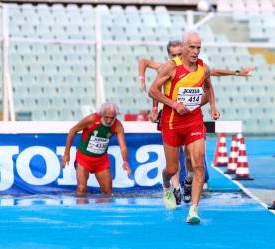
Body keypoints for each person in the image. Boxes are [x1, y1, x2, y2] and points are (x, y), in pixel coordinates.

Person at [139, 40, 254, 205]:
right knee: (173, 164)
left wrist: (237, 73)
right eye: (174, 55)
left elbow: (212, 73)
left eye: (180, 53)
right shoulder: (166, 66)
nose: (179, 57)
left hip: (190, 116)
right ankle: (175, 187)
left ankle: (188, 182)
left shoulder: (196, 66)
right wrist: (153, 105)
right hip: (171, 116)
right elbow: (152, 82)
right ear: (169, 55)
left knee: (189, 154)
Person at [148, 31, 220, 224]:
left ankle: (193, 210)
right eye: (192, 47)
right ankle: (166, 187)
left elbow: (208, 87)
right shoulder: (171, 67)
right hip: (172, 123)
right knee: (171, 168)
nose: (196, 51)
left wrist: (212, 106)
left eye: (199, 47)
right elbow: (152, 91)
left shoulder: (203, 68)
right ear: (184, 47)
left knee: (198, 166)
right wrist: (174, 104)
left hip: (194, 121)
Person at [61, 102, 131, 196]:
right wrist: (66, 153)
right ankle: (80, 209)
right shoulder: (91, 119)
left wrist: (125, 161)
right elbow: (72, 131)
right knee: (81, 189)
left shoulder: (118, 126)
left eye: (112, 118)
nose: (109, 120)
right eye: (106, 117)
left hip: (101, 161)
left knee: (108, 193)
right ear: (101, 114)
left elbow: (123, 146)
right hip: (83, 158)